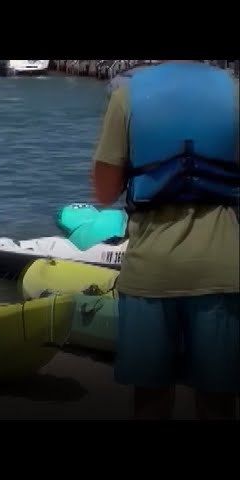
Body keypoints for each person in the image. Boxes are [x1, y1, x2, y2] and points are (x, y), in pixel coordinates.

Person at [91, 60, 240, 420]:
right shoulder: (235, 92)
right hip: (222, 269)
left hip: (150, 273)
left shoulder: (127, 97)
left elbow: (104, 192)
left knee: (151, 400)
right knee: (218, 401)